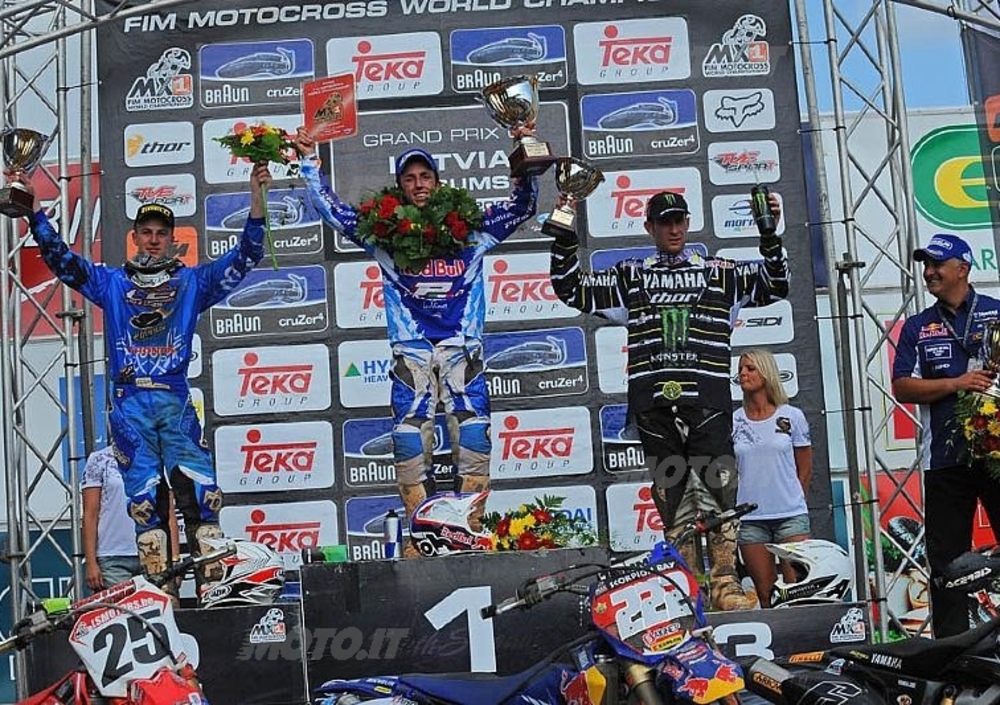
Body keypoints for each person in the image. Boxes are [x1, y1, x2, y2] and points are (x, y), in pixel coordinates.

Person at [16, 163, 272, 601]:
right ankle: (159, 597)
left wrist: (256, 200)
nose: (154, 239)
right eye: (147, 232)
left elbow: (245, 257)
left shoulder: (192, 282)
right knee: (145, 506)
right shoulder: (111, 283)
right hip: (129, 401)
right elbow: (60, 260)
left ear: (173, 239)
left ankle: (214, 591)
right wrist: (35, 211)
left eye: (161, 233)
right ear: (134, 237)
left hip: (173, 397)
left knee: (202, 496)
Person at [295, 128, 538, 555]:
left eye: (426, 176)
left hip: (462, 348)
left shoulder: (472, 230)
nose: (419, 184)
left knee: (474, 434)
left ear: (438, 184)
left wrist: (526, 150)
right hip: (411, 351)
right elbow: (332, 211)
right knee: (408, 437)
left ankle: (468, 530)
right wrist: (309, 163)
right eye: (410, 178)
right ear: (399, 186)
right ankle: (422, 535)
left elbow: (523, 207)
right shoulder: (382, 233)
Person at [549, 189, 787, 610]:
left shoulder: (721, 273)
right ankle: (688, 587)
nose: (673, 229)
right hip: (654, 406)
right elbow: (572, 288)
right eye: (665, 223)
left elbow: (776, 284)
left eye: (679, 221)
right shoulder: (631, 275)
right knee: (671, 496)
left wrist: (769, 234)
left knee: (719, 492)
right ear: (650, 228)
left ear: (688, 223)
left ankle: (726, 584)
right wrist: (565, 233)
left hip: (707, 401)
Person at [891, 233, 1000, 637]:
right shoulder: (918, 326)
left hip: (997, 455)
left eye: (937, 264)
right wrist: (957, 383)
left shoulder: (996, 313)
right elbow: (902, 386)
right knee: (946, 564)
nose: (929, 272)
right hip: (945, 460)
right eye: (926, 265)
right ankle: (952, 654)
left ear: (962, 269)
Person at [732, 348, 812, 608]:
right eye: (740, 369)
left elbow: (805, 466)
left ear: (766, 373)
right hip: (751, 520)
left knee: (798, 591)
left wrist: (794, 500)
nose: (743, 374)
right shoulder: (734, 421)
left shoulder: (791, 416)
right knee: (766, 596)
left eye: (750, 368)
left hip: (790, 516)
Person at [82, 445, 142, 590]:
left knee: (157, 604)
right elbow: (90, 514)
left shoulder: (154, 454)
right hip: (112, 556)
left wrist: (174, 557)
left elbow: (169, 511)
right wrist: (91, 562)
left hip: (153, 553)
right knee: (120, 605)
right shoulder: (99, 459)